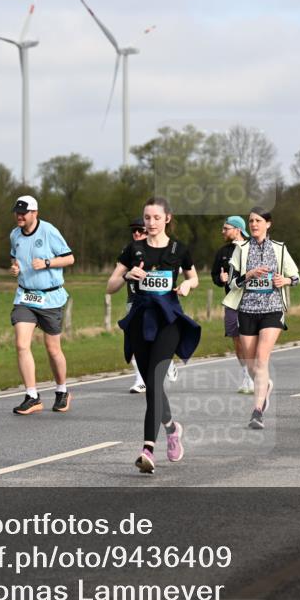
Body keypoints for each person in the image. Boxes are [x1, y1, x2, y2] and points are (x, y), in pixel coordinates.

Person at [108, 197, 200, 473]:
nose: (150, 223)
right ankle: (172, 429)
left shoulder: (178, 249)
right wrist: (127, 277)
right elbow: (110, 285)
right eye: (147, 218)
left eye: (156, 218)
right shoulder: (133, 249)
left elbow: (193, 277)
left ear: (167, 219)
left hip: (168, 321)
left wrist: (186, 286)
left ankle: (147, 449)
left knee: (155, 382)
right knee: (153, 385)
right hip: (140, 321)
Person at [223, 207, 300, 430]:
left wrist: (284, 281)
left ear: (268, 224)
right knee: (250, 364)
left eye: (258, 221)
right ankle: (264, 384)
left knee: (261, 357)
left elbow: (295, 277)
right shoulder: (241, 249)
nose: (254, 225)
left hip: (272, 309)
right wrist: (248, 275)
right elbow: (231, 283)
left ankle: (257, 412)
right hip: (246, 309)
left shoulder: (280, 248)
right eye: (251, 221)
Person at [9, 195, 75, 414]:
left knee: (52, 349)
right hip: (25, 297)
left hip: (50, 297)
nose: (19, 216)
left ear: (34, 213)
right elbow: (14, 257)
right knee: (21, 344)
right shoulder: (14, 235)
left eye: (23, 212)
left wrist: (47, 263)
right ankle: (32, 396)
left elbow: (69, 258)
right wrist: (15, 268)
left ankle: (62, 390)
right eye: (17, 212)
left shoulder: (49, 231)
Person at [111, 218, 179, 394]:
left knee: (158, 340)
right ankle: (140, 380)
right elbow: (115, 279)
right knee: (135, 341)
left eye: (140, 230)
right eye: (133, 231)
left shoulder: (164, 249)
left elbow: (176, 269)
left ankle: (168, 361)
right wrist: (127, 274)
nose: (136, 234)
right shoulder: (129, 250)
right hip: (134, 301)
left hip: (158, 304)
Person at [212, 215, 254, 394]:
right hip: (231, 301)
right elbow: (215, 275)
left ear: (237, 229)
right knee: (237, 339)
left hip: (252, 301)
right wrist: (220, 279)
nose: (222, 231)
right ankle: (246, 375)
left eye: (226, 228)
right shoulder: (222, 252)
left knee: (251, 339)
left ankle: (255, 374)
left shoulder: (253, 247)